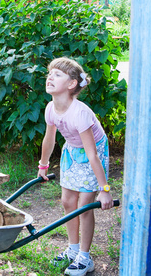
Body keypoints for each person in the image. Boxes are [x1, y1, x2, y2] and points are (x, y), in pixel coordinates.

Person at [37, 57, 113, 276]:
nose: (50, 77)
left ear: (71, 84)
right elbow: (49, 139)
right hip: (72, 150)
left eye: (57, 74)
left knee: (84, 205)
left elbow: (92, 154)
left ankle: (85, 257)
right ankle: (72, 249)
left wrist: (104, 189)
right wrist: (43, 165)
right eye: (49, 73)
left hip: (93, 152)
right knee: (67, 201)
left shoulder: (79, 113)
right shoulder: (51, 108)